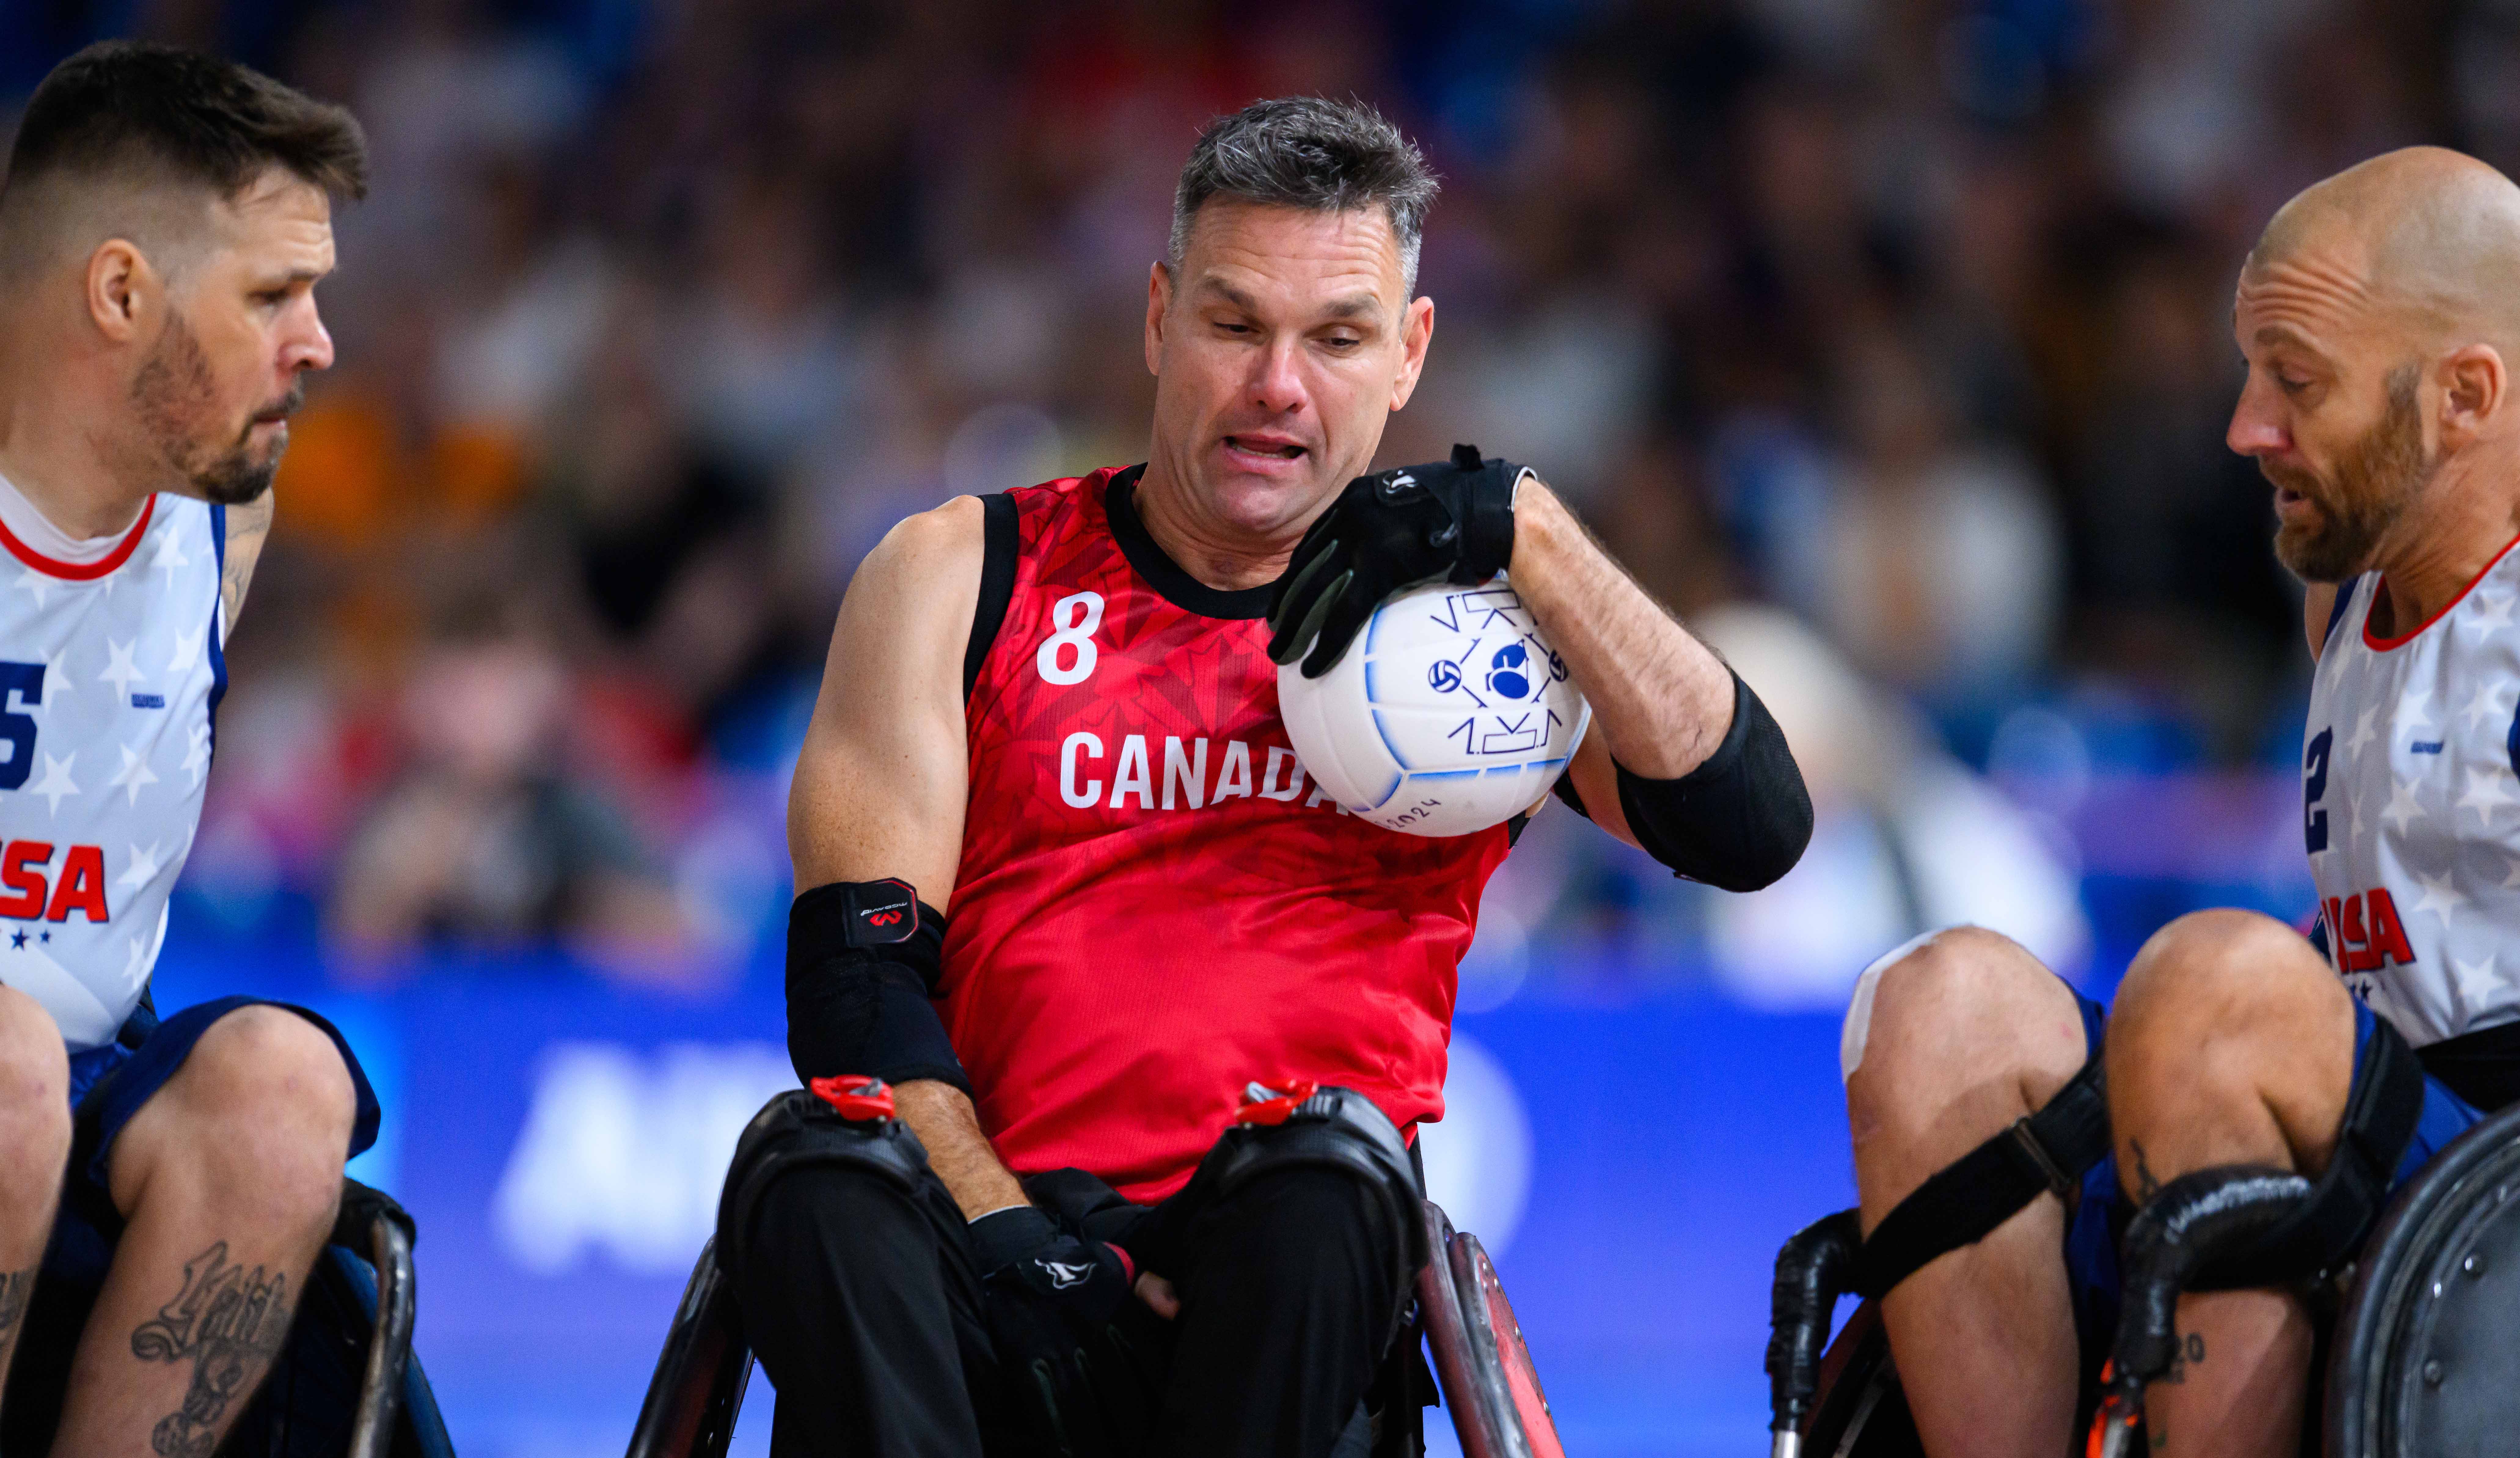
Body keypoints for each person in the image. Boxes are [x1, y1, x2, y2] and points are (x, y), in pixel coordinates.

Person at [731, 96, 1813, 1458]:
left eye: (1337, 338)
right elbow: (856, 989)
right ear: (1157, 319)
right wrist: (1006, 1233)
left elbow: (1752, 824)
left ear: (1409, 352)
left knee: (1324, 1182)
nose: (1277, 387)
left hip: (1295, 1275)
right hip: (981, 1263)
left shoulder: (1478, 635)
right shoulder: (959, 572)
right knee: (811, 1165)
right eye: (1234, 326)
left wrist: (1532, 533)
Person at [1837, 145, 2520, 1458]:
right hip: (2365, 1125)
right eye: (2250, 367)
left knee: (2213, 989)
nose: (2243, 424)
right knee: (1936, 1012)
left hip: (2488, 1189)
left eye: (2295, 379)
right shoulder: (2347, 593)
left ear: (2464, 395)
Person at [0, 42, 382, 1452]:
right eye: (275, 295)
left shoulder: (227, 514)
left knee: (287, 1083)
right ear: (118, 293)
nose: (319, 342)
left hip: (80, 1079)